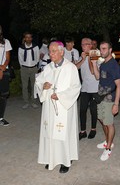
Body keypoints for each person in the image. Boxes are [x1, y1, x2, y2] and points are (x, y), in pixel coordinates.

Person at [35, 41, 81, 173]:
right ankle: (51, 157)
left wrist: (60, 96)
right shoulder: (48, 67)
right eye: (50, 51)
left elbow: (76, 87)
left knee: (63, 133)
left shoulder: (70, 67)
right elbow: (39, 81)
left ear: (61, 52)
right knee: (50, 131)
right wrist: (42, 86)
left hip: (63, 107)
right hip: (49, 107)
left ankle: (65, 160)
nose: (51, 54)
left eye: (54, 51)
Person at [91, 41, 120, 161]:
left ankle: (108, 148)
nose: (102, 51)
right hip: (101, 97)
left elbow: (119, 85)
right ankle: (107, 140)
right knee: (102, 120)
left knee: (109, 123)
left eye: (104, 49)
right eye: (101, 49)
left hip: (110, 98)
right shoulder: (104, 63)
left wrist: (116, 104)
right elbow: (98, 77)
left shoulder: (113, 65)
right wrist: (94, 64)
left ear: (110, 50)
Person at [75, 38, 99, 140]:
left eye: (85, 44)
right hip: (84, 87)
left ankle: (93, 129)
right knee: (82, 109)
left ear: (90, 45)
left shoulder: (96, 55)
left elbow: (94, 72)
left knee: (93, 110)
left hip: (95, 88)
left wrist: (90, 58)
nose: (83, 46)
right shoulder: (82, 56)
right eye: (82, 44)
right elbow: (75, 68)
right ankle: (83, 131)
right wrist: (83, 59)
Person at [18, 32, 39, 109]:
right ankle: (26, 102)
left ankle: (33, 101)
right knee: (25, 86)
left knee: (34, 85)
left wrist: (35, 65)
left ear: (31, 38)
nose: (28, 39)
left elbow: (37, 57)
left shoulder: (35, 47)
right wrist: (23, 67)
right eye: (27, 37)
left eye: (30, 37)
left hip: (34, 68)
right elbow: (20, 59)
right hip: (24, 68)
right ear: (24, 38)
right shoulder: (21, 48)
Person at [0, 25, 12, 126]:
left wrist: (2, 67)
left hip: (4, 70)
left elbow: (8, 57)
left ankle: (1, 117)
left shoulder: (6, 42)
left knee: (3, 96)